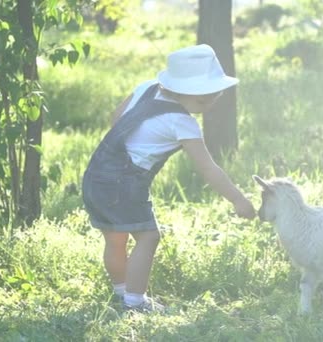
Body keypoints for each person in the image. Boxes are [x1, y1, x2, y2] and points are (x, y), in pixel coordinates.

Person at [82, 44, 256, 312]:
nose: (208, 104)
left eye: (214, 96)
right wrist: (238, 199)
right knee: (148, 237)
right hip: (125, 185)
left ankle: (120, 293)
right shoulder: (182, 123)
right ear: (178, 90)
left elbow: (115, 118)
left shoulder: (146, 87)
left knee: (115, 238)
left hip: (97, 175)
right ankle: (135, 303)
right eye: (201, 99)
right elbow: (208, 168)